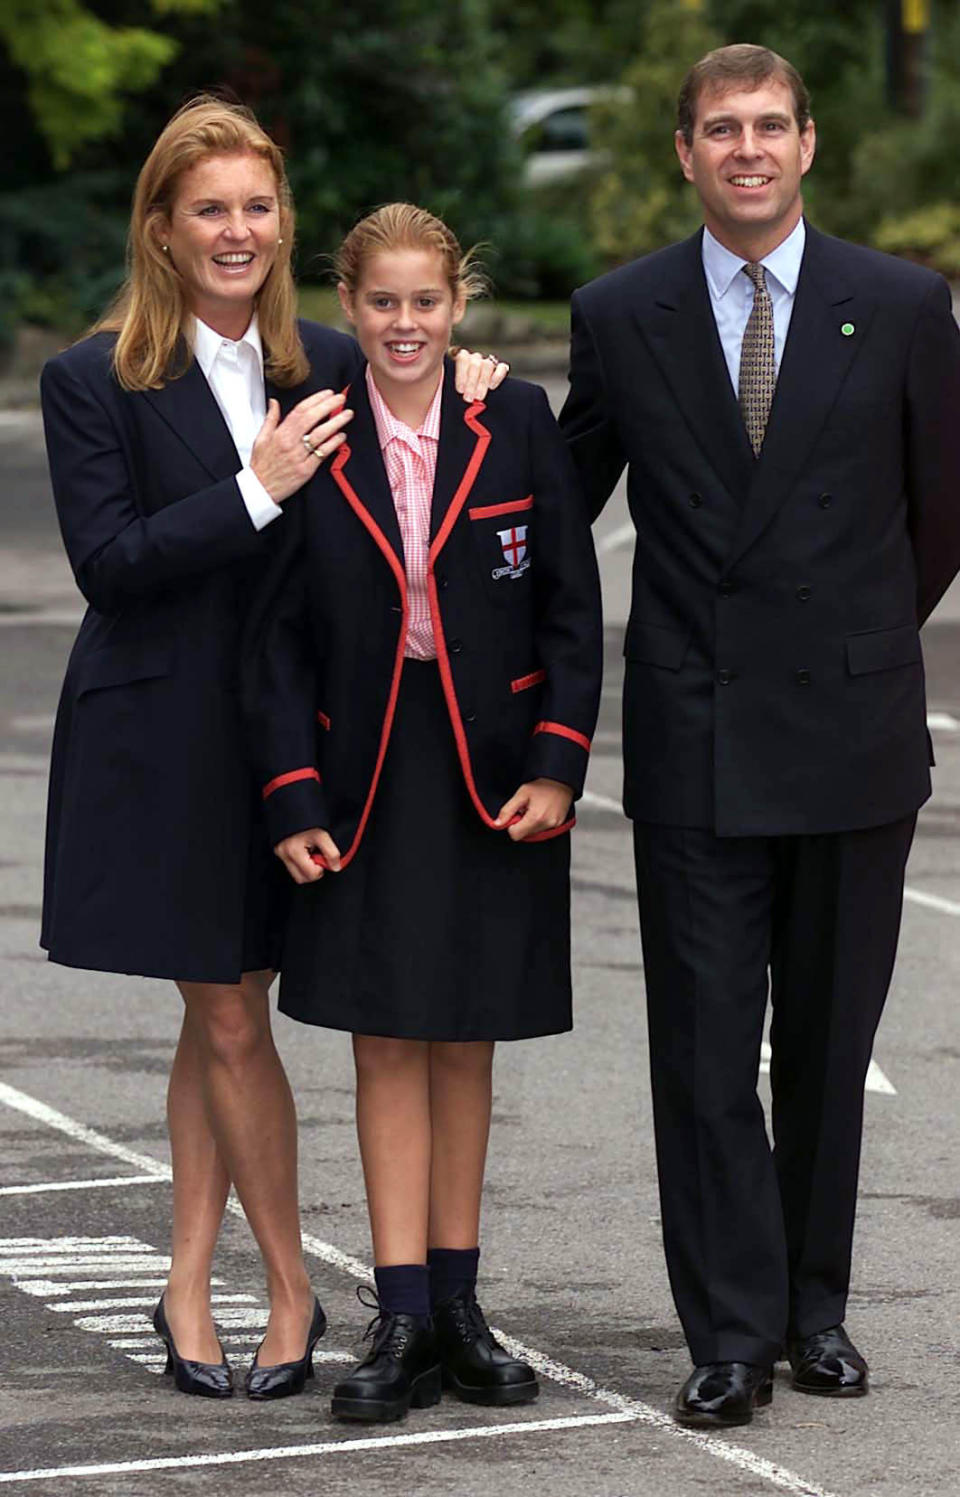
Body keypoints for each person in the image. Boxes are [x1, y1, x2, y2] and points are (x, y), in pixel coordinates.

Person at [39, 97, 506, 1401]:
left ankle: (187, 1275)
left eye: (256, 207)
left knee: (219, 1007)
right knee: (232, 1014)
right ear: (162, 229)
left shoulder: (338, 370)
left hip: (306, 741)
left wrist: (462, 382)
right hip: (164, 735)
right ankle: (290, 1284)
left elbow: (436, 466)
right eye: (209, 210)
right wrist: (258, 486)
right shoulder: (92, 379)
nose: (237, 231)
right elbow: (112, 567)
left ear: (281, 222)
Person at [559, 44, 960, 1428]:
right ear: (685, 152)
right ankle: (727, 1331)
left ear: (806, 144)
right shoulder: (620, 314)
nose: (746, 148)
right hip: (697, 733)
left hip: (851, 734)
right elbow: (560, 503)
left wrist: (850, 636)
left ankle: (817, 1311)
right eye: (720, 128)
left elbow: (941, 512)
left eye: (769, 125)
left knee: (831, 1047)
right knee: (707, 1055)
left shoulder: (903, 305)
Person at [242, 202, 603, 1423]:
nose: (406, 324)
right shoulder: (311, 438)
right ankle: (398, 1315)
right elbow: (277, 641)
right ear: (350, 308)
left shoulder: (514, 420)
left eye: (428, 302)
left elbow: (568, 605)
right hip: (367, 771)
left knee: (467, 1035)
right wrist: (292, 790)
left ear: (461, 305)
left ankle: (459, 1305)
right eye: (383, 303)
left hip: (489, 772)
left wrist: (557, 763)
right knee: (386, 1037)